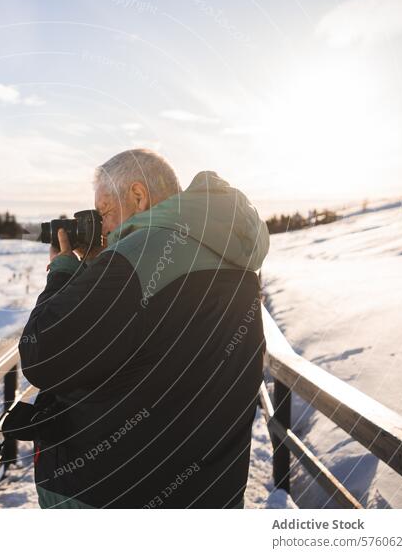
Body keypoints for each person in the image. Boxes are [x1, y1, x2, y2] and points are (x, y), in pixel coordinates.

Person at [19, 148, 270, 508]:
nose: (102, 227)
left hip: (112, 495)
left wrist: (62, 274)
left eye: (104, 211)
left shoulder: (138, 256)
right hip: (210, 490)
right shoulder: (232, 257)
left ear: (138, 196)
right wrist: (98, 274)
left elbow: (42, 355)